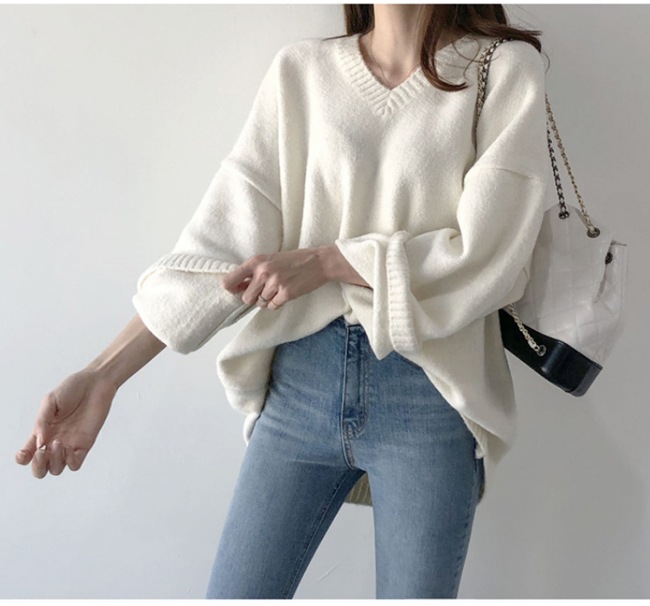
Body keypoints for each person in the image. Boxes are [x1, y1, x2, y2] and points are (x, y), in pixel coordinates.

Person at [15, 4, 550, 599]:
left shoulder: (502, 69)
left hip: (428, 392)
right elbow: (221, 250)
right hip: (300, 387)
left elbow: (492, 254)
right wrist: (103, 375)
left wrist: (326, 261)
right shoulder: (303, 72)